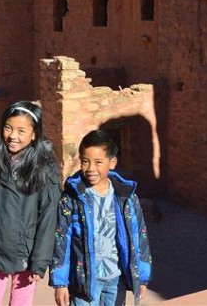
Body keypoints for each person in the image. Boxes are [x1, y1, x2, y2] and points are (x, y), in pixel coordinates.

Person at [0, 101, 61, 306]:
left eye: (21, 130)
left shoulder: (44, 168)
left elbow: (48, 217)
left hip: (25, 251)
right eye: (8, 127)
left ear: (34, 134)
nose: (12, 136)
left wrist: (40, 261)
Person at [51, 130, 152, 306]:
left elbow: (139, 235)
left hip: (116, 278)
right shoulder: (72, 198)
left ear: (112, 162)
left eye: (98, 162)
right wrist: (60, 282)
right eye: (85, 161)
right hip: (84, 281)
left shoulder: (126, 197)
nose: (91, 169)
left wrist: (142, 277)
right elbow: (62, 239)